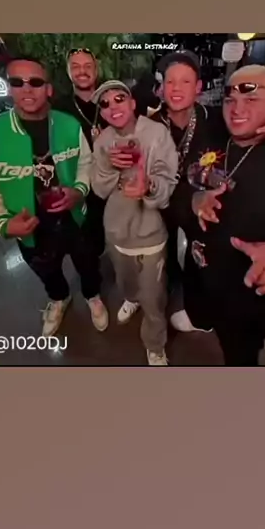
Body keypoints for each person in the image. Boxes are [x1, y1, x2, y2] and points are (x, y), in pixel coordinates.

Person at [150, 50, 265, 333]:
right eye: (170, 81)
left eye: (185, 81)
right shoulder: (149, 122)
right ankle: (182, 295)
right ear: (161, 87)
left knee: (204, 262)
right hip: (165, 205)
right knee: (170, 254)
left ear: (198, 87)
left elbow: (254, 130)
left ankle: (207, 316)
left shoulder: (216, 121)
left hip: (209, 215)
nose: (177, 88)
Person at [185, 65, 265, 366]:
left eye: (251, 98)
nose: (237, 108)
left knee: (239, 353)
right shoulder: (212, 134)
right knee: (204, 316)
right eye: (230, 99)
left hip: (248, 299)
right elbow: (183, 182)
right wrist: (194, 200)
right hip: (201, 277)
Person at [0, 56, 109, 337]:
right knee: (47, 270)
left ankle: (93, 296)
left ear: (49, 89)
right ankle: (59, 298)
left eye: (35, 82)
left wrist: (79, 191)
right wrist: (2, 223)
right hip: (28, 224)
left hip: (75, 216)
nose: (27, 89)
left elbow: (86, 163)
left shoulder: (69, 125)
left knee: (88, 262)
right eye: (17, 82)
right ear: (9, 88)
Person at [90, 81, 178, 366]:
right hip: (117, 232)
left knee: (153, 297)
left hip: (150, 233)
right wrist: (108, 165)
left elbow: (168, 178)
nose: (112, 106)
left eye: (119, 98)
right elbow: (99, 189)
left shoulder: (156, 133)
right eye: (105, 103)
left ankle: (155, 344)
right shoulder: (102, 141)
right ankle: (131, 298)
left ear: (132, 103)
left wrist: (148, 185)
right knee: (125, 283)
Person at [54, 48, 107, 256]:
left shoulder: (111, 100)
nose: (82, 71)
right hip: (79, 189)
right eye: (75, 67)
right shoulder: (58, 109)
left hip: (113, 185)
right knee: (89, 248)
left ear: (96, 70)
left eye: (87, 66)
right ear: (68, 72)